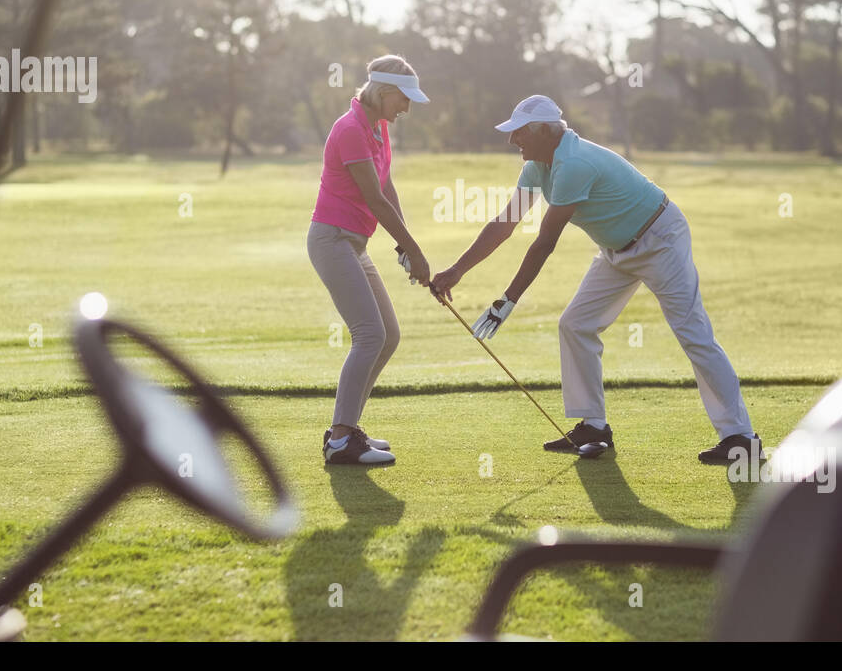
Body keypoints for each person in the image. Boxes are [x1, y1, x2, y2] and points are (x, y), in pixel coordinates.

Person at [431, 94, 760, 464]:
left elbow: (544, 243)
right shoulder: (537, 166)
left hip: (660, 239)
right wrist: (456, 271)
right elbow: (505, 224)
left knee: (693, 333)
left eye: (519, 132)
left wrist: (507, 300)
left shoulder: (574, 163)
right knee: (575, 324)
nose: (512, 141)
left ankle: (740, 438)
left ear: (543, 130)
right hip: (616, 250)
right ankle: (593, 427)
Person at [309, 54, 431, 466]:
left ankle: (347, 430)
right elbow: (373, 199)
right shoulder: (350, 130)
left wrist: (404, 247)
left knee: (388, 335)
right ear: (383, 91)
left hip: (355, 245)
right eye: (404, 99)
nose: (407, 108)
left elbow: (387, 187)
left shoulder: (378, 129)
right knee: (369, 335)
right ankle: (341, 440)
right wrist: (414, 250)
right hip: (332, 240)